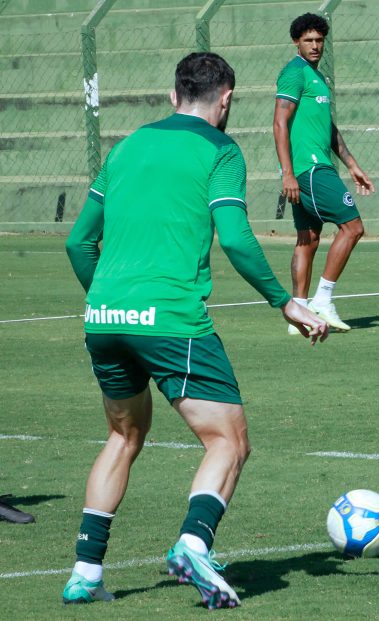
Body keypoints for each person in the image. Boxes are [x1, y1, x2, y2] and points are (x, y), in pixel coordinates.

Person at [62, 52, 328, 609]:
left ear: (171, 94)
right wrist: (285, 301)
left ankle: (85, 572)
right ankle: (192, 544)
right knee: (227, 440)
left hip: (105, 317)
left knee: (123, 437)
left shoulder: (126, 146)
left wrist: (111, 302)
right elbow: (233, 238)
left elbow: (78, 242)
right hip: (172, 317)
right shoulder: (220, 150)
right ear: (226, 98)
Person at [273, 12, 375, 334]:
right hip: (311, 168)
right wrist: (287, 173)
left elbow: (327, 128)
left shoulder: (317, 78)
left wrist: (352, 164)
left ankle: (299, 313)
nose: (316, 46)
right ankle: (323, 300)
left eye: (319, 40)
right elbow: (279, 123)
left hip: (315, 166)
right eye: (309, 41)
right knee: (353, 227)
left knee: (308, 239)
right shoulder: (294, 73)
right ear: (296, 43)